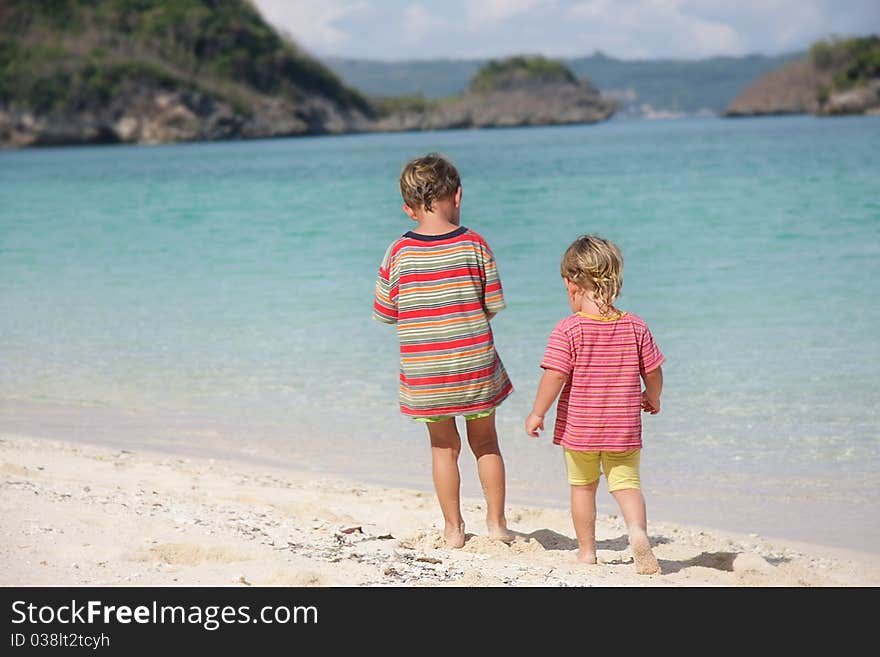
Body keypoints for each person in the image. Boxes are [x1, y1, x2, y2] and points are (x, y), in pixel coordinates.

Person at [373, 153, 514, 548]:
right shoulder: (474, 243)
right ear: (458, 195)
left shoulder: (398, 252)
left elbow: (386, 311)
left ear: (407, 209)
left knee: (442, 448)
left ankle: (453, 529)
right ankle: (497, 524)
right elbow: (493, 303)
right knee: (485, 442)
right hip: (473, 362)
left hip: (426, 368)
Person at [525, 235, 664, 574]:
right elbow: (654, 371)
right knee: (627, 484)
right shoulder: (635, 326)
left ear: (572, 285)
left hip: (580, 429)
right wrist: (653, 397)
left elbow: (555, 376)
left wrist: (537, 411)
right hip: (623, 427)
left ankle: (587, 552)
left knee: (583, 488)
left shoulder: (569, 329)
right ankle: (637, 532)